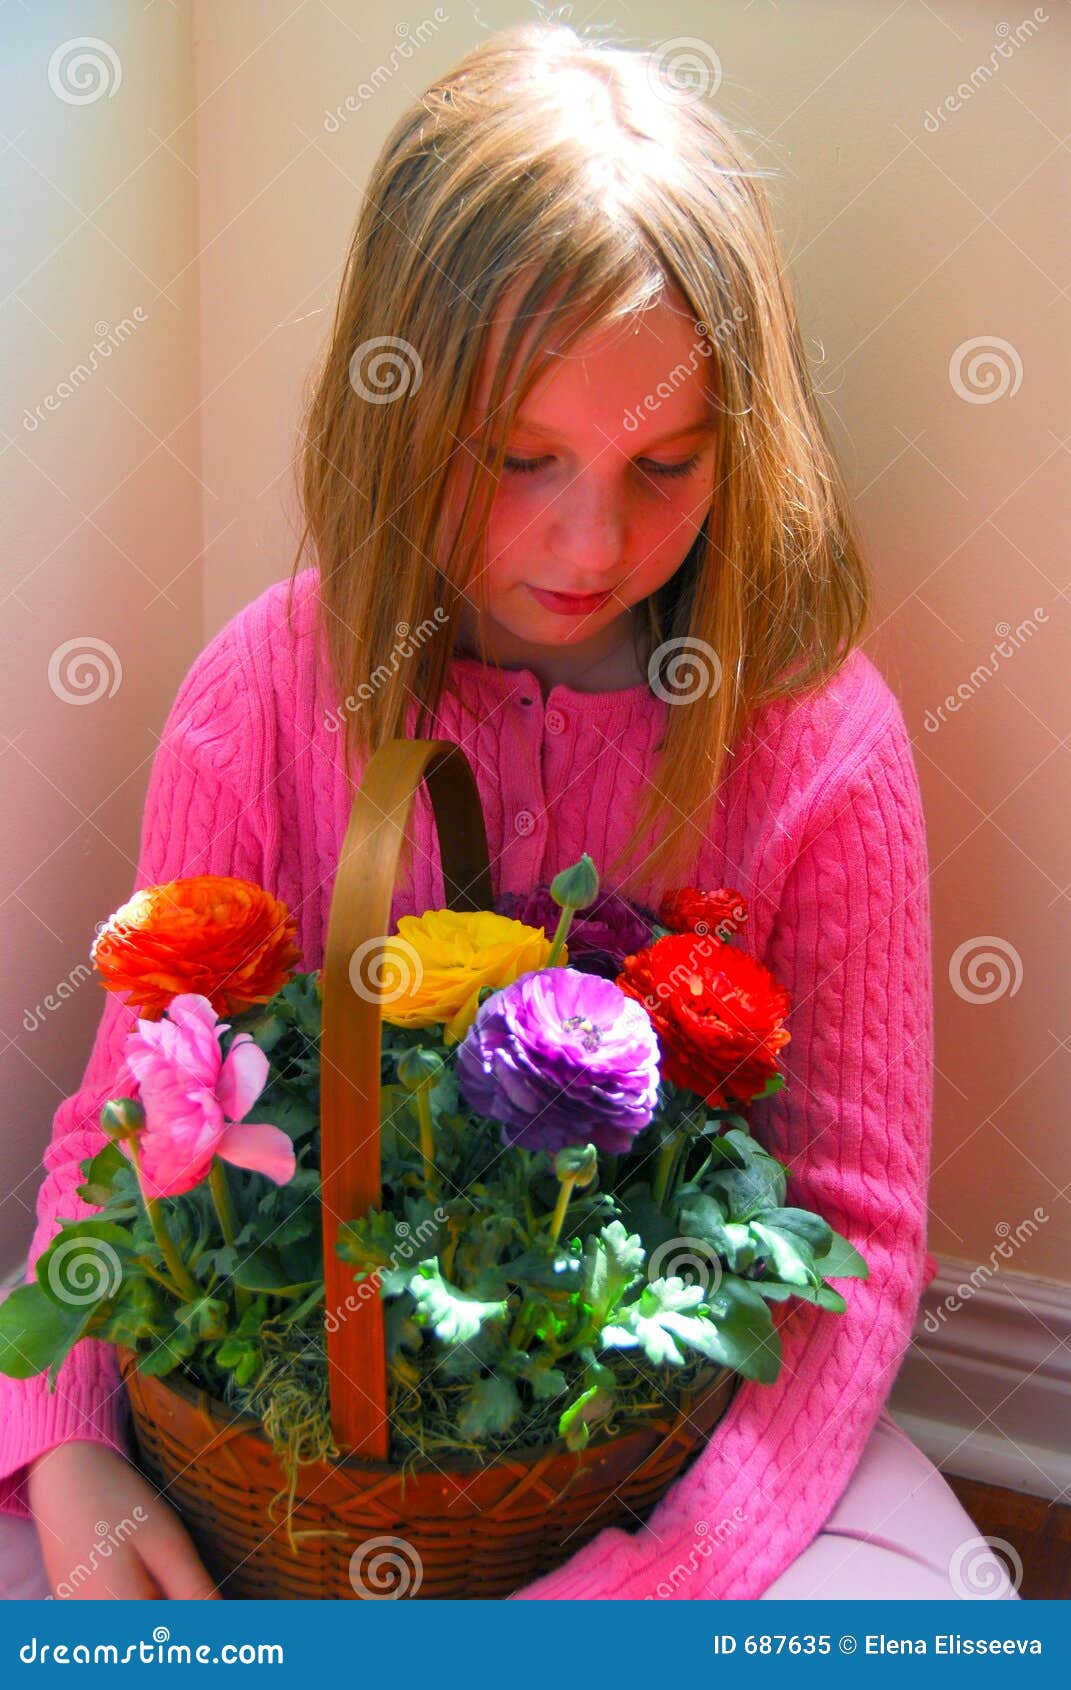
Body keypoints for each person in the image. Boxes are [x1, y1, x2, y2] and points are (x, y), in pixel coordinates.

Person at [1, 21, 1013, 1602]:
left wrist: (654, 1584)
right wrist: (72, 1454)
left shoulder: (820, 740)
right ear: (396, 417)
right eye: (517, 457)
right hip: (286, 1461)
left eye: (666, 463)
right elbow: (120, 1121)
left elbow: (856, 1233)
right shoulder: (266, 690)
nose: (588, 541)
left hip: (681, 1458)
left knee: (927, 1618)